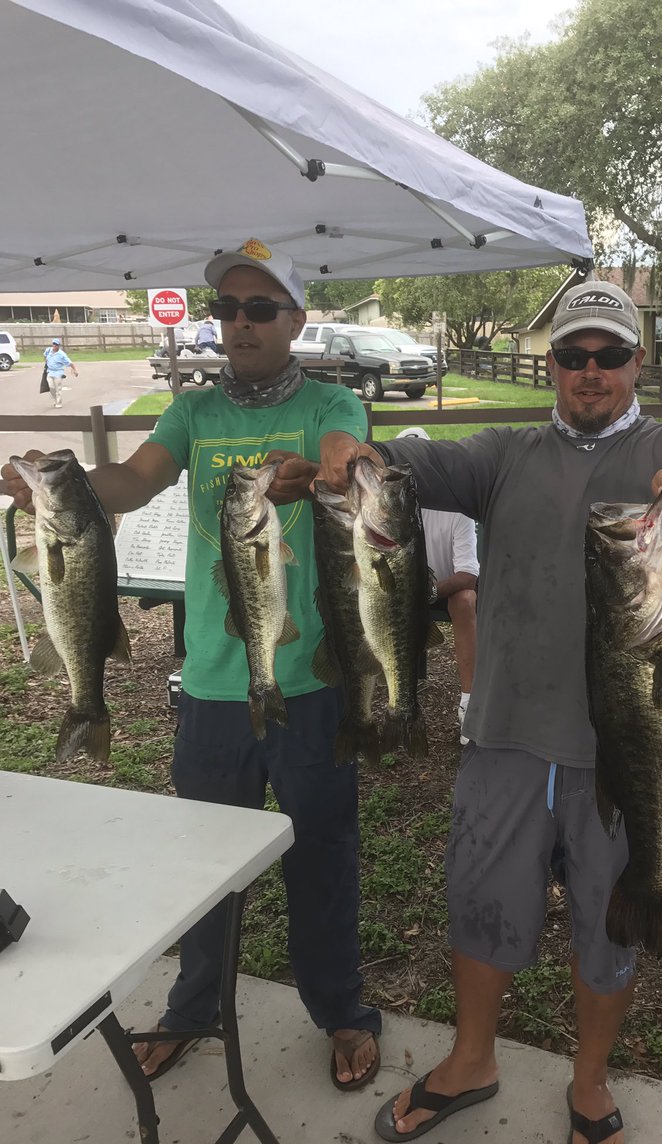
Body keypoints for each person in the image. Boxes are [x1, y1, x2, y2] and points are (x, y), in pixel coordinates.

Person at [297, 279, 662, 1144]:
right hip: (505, 736)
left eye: (610, 356)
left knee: (609, 920)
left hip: (623, 755)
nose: (591, 373)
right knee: (479, 904)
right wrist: (354, 448)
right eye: (574, 355)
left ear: (638, 363)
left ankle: (590, 1085)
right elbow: (414, 465)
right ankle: (473, 1061)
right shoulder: (506, 451)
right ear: (551, 363)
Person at [2, 238, 381, 1091]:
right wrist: (51, 487)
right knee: (205, 867)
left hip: (311, 682)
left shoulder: (332, 401)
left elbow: (345, 457)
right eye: (227, 309)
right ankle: (192, 1010)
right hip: (212, 683)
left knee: (323, 851)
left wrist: (333, 465)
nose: (238, 324)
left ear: (296, 318)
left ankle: (343, 1010)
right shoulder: (195, 412)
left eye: (258, 309)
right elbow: (133, 480)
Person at [397, 427, 478, 745]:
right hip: (404, 594)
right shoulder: (390, 511)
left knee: (466, 600)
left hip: (445, 590)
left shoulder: (455, 507)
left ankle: (469, 701)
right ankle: (395, 702)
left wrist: (425, 592)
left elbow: (468, 575)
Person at [43, 336, 78, 408]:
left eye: (56, 344)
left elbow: (69, 362)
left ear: (58, 345)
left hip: (58, 372)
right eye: (53, 344)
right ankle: (55, 400)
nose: (54, 346)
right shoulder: (48, 350)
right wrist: (46, 361)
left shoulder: (62, 354)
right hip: (50, 371)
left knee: (58, 388)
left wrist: (74, 370)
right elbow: (45, 356)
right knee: (51, 387)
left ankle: (59, 403)